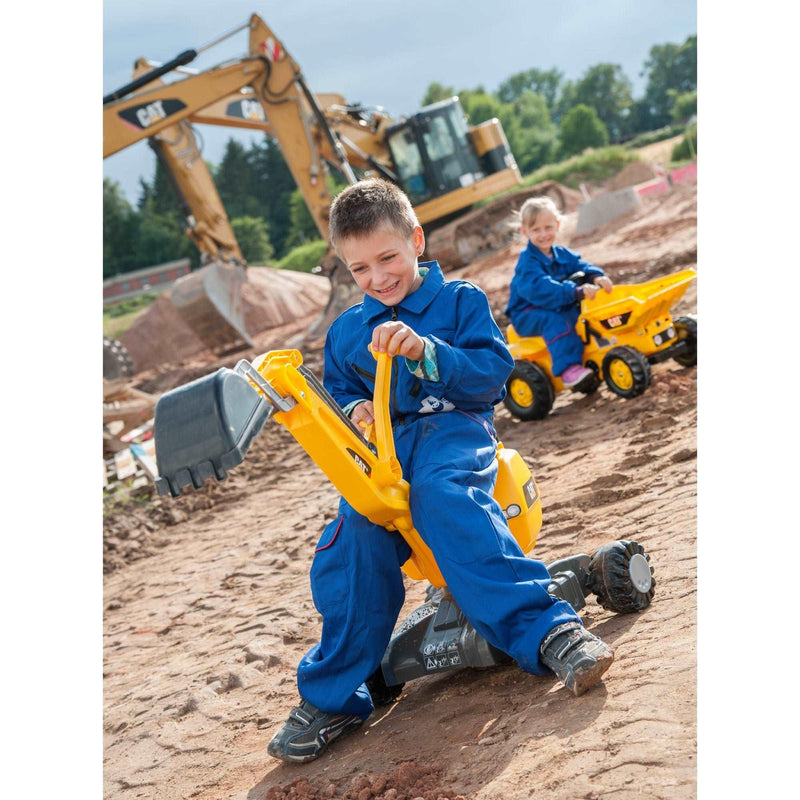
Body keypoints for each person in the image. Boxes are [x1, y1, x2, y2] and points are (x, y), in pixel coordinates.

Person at [267, 179, 614, 764]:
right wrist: (355, 413)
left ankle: (548, 629)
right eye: (360, 269)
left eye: (387, 258)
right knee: (353, 535)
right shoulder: (347, 330)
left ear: (416, 240)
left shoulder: (460, 302)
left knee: (441, 494)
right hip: (391, 449)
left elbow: (491, 375)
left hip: (454, 431)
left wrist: (426, 351)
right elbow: (345, 390)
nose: (378, 278)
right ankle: (334, 695)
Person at [505, 196, 614, 388]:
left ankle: (595, 352)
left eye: (548, 227)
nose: (543, 234)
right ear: (525, 232)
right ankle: (568, 369)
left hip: (557, 303)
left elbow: (581, 265)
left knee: (584, 313)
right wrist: (574, 291)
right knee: (555, 319)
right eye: (536, 230)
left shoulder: (562, 253)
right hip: (527, 313)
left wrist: (596, 276)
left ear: (557, 225)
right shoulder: (527, 261)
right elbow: (540, 288)